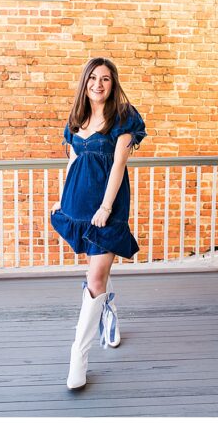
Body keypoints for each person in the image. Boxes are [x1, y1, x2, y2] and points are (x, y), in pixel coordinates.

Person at [50, 57, 146, 390]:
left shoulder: (123, 118)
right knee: (95, 276)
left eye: (105, 79)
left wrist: (106, 207)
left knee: (96, 275)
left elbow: (119, 164)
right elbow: (73, 160)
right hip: (78, 201)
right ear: (85, 82)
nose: (98, 84)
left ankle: (78, 358)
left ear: (113, 83)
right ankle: (107, 310)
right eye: (92, 78)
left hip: (109, 204)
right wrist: (63, 200)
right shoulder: (76, 118)